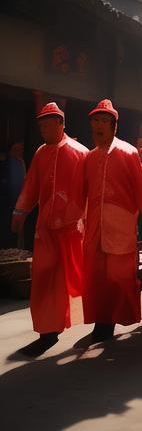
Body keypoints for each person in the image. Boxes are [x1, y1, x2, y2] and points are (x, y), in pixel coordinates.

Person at [82, 99, 142, 343]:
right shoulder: (89, 158)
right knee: (97, 277)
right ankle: (101, 324)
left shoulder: (128, 152)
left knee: (118, 278)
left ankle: (112, 322)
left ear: (114, 126)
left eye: (104, 121)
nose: (98, 126)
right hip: (95, 227)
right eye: (95, 121)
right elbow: (79, 193)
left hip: (120, 227)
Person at [11, 103, 88, 357]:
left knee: (73, 280)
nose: (43, 129)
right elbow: (31, 186)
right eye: (40, 125)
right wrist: (20, 212)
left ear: (60, 123)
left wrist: (72, 217)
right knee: (44, 278)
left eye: (47, 124)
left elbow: (86, 194)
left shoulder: (79, 153)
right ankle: (47, 332)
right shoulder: (41, 153)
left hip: (70, 230)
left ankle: (93, 321)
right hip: (45, 229)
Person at [0, 142, 26, 248]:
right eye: (16, 149)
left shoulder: (19, 163)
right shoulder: (10, 162)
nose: (19, 152)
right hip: (9, 201)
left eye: (21, 149)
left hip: (16, 202)